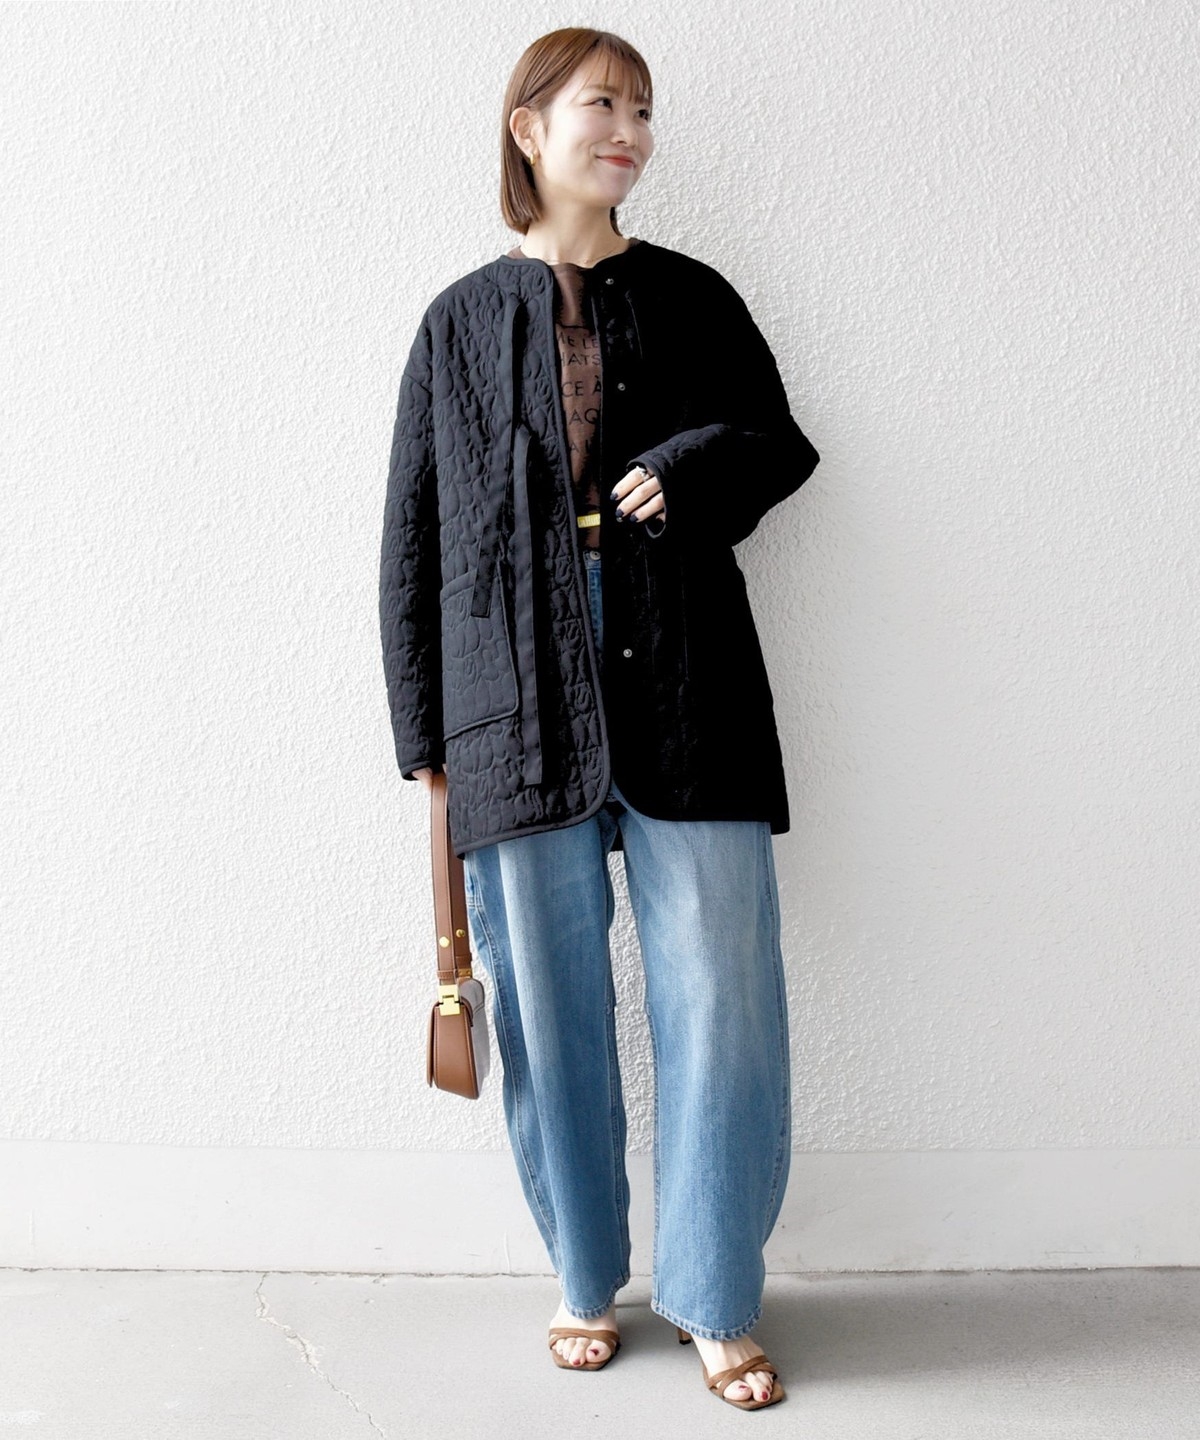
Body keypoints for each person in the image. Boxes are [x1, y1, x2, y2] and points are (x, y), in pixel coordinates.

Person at [379, 27, 820, 1411]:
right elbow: (412, 541)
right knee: (551, 1011)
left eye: (642, 109)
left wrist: (685, 465)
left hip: (685, 668)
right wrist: (425, 740)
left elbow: (779, 446)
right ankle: (584, 1277)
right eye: (601, 103)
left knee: (722, 1001)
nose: (628, 129)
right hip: (511, 684)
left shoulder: (693, 296)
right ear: (530, 126)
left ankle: (715, 1296)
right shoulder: (457, 322)